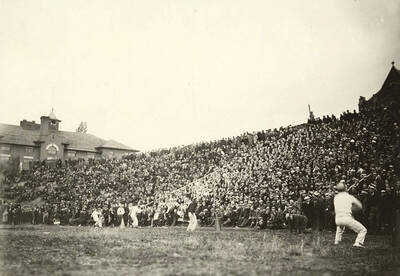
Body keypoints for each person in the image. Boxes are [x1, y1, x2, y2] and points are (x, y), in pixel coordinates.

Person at [334, 180, 367, 248]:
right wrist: (351, 210)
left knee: (340, 227)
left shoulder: (335, 197)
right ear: (345, 189)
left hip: (337, 219)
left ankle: (337, 241)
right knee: (363, 230)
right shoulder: (349, 197)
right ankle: (358, 243)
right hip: (347, 218)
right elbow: (360, 206)